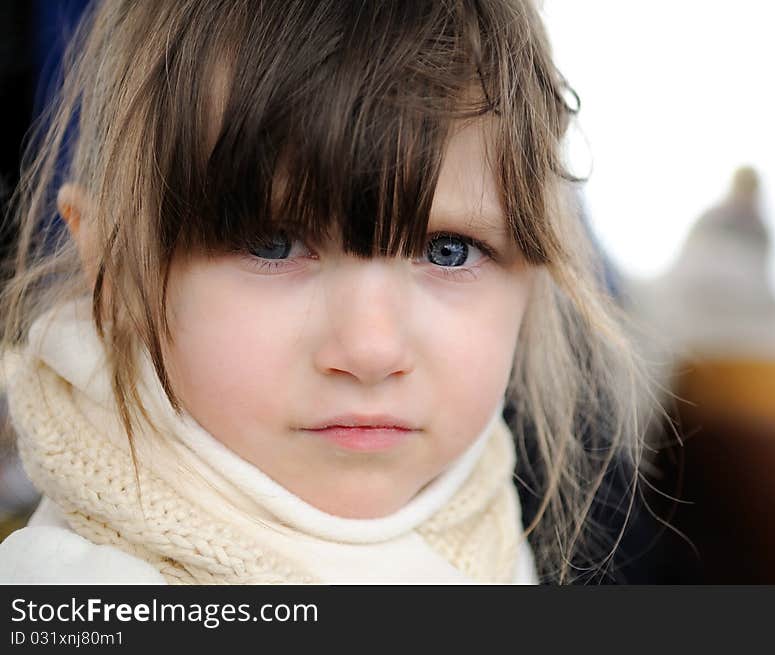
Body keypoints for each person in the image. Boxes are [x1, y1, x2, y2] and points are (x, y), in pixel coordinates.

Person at [0, 0, 649, 584]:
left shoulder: (485, 522)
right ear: (109, 262)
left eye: (448, 251)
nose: (370, 350)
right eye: (273, 243)